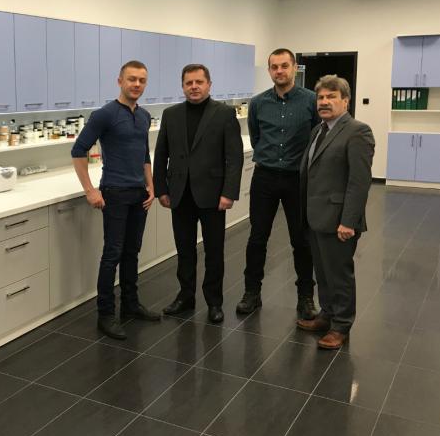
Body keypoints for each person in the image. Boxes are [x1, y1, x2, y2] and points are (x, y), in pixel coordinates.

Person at [71, 60, 160, 340]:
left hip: (139, 194)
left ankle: (131, 305)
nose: (137, 84)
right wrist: (90, 190)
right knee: (113, 254)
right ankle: (106, 315)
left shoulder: (144, 116)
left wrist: (151, 185)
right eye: (132, 79)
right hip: (115, 193)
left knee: (132, 252)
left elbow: (144, 154)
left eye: (142, 80)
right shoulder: (104, 115)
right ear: (119, 81)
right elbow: (78, 150)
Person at [154, 64, 243, 323]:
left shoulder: (224, 114)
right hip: (179, 193)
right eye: (189, 83)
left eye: (199, 82)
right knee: (184, 250)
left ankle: (214, 302)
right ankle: (186, 296)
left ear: (209, 85)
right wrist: (161, 189)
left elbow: (234, 157)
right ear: (183, 86)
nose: (194, 87)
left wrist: (229, 193)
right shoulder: (171, 115)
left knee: (214, 251)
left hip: (212, 194)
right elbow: (161, 154)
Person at [237, 48, 321, 320]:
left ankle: (305, 297)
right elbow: (257, 137)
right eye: (274, 67)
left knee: (301, 239)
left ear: (294, 68)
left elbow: (318, 136)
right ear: (270, 70)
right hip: (265, 177)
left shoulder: (311, 101)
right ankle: (252, 293)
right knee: (257, 238)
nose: (279, 71)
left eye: (284, 66)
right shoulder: (258, 103)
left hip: (297, 179)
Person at [297, 75, 374, 349]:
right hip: (316, 217)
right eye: (321, 97)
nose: (324, 102)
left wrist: (348, 221)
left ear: (345, 101)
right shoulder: (319, 131)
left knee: (339, 275)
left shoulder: (358, 132)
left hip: (340, 220)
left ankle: (341, 325)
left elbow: (359, 182)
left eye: (331, 97)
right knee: (323, 272)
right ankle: (327, 314)